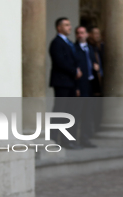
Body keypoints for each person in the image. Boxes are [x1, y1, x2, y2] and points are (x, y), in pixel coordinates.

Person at [49, 17, 83, 149]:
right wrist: (74, 71)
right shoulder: (56, 43)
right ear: (59, 27)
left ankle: (66, 140)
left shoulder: (69, 42)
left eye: (69, 25)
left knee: (69, 113)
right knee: (59, 111)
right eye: (66, 25)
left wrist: (77, 71)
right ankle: (53, 139)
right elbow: (60, 62)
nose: (69, 27)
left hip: (71, 83)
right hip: (62, 82)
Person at [74, 26, 99, 148]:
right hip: (80, 86)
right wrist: (76, 88)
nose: (80, 35)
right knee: (76, 114)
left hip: (90, 85)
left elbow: (94, 63)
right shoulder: (74, 48)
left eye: (82, 33)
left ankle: (85, 138)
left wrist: (96, 67)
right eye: (78, 33)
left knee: (87, 114)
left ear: (87, 34)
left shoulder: (90, 48)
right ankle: (73, 140)